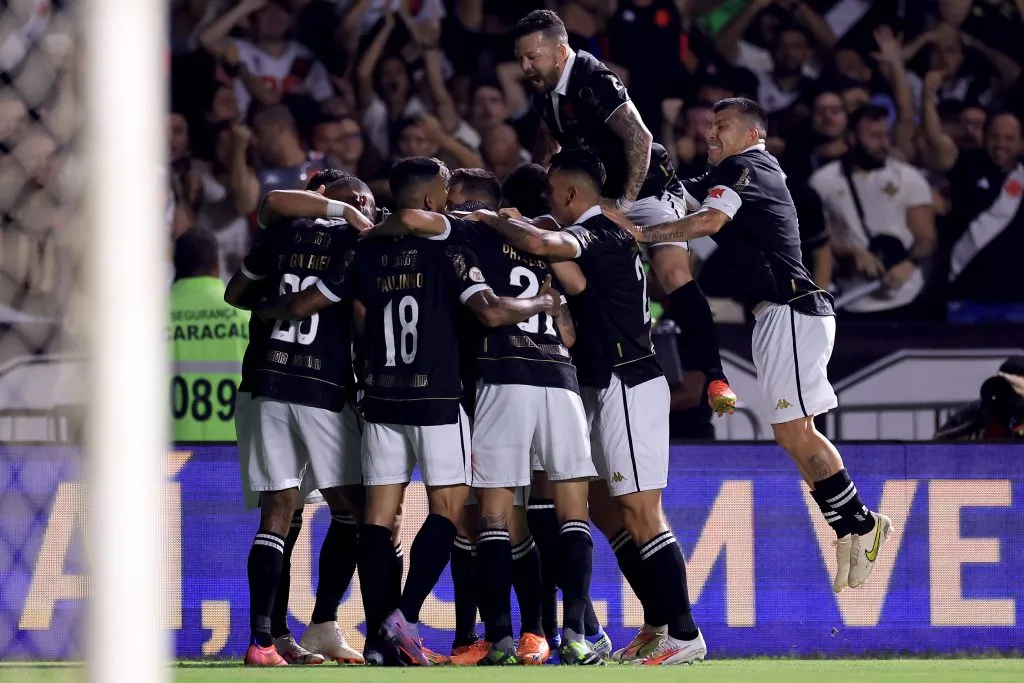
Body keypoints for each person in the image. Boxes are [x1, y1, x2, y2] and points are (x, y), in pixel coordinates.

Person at [633, 97, 893, 594]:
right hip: (781, 314)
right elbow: (691, 201)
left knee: (796, 431)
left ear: (753, 133)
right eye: (709, 126)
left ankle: (861, 524)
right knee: (792, 433)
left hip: (792, 309)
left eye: (722, 126)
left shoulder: (748, 166)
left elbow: (706, 224)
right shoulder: (735, 174)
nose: (711, 134)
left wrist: (640, 234)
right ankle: (849, 527)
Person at [467, 150, 707, 666]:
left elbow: (540, 243)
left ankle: (684, 634)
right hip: (598, 385)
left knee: (642, 511)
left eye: (553, 193)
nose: (548, 202)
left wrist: (488, 218)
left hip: (630, 379)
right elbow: (567, 278)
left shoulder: (602, 233)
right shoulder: (600, 240)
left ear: (572, 195)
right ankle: (657, 621)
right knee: (603, 509)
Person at [369, 166, 602, 665]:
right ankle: (576, 634)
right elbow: (570, 323)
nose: (445, 204)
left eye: (452, 197)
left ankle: (498, 637)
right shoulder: (541, 235)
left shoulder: (464, 230)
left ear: (469, 201)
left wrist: (364, 222)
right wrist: (543, 280)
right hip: (560, 380)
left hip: (501, 377)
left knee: (493, 518)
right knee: (573, 513)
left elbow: (414, 219)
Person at [511, 9, 736, 417]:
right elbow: (550, 142)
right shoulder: (548, 92)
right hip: (599, 198)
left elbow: (640, 137)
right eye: (521, 58)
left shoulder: (593, 78)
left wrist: (624, 206)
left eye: (533, 57)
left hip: (647, 190)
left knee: (670, 273)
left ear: (560, 51)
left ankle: (715, 375)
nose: (525, 66)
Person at [224, 172, 373, 667]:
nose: (364, 206)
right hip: (325, 388)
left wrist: (269, 308)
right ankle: (320, 622)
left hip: (268, 380)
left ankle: (267, 639)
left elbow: (237, 292)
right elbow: (359, 316)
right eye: (356, 199)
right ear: (323, 198)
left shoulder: (279, 235)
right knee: (358, 510)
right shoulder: (357, 240)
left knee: (280, 513)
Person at [169, 229, 248, 443]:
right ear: (216, 264)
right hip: (236, 448)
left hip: (169, 452)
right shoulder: (244, 315)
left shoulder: (148, 320)